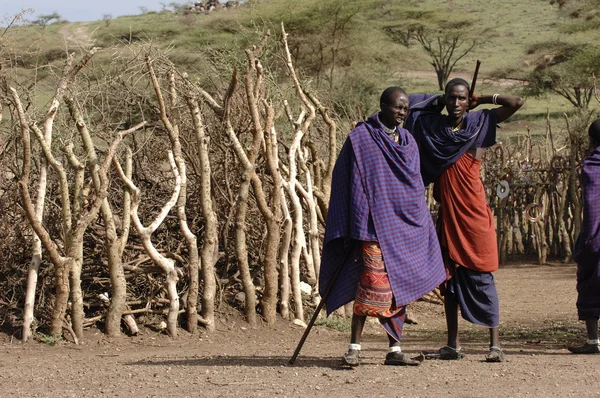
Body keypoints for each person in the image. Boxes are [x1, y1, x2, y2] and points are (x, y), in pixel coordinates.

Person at [319, 87, 447, 367]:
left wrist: (418, 222)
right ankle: (354, 347)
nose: (401, 113)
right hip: (373, 226)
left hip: (402, 227)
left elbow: (413, 185)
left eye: (405, 108)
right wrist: (358, 221)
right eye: (397, 107)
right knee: (369, 285)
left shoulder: (408, 141)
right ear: (382, 106)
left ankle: (394, 350)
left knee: (399, 288)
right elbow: (348, 181)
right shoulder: (361, 138)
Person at [404, 78, 524, 363]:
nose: (456, 104)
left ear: (467, 99)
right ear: (445, 99)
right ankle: (452, 344)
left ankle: (495, 345)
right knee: (450, 280)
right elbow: (411, 108)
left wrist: (481, 98)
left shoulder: (479, 124)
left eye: (461, 98)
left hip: (474, 215)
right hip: (448, 216)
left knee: (483, 277)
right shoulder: (433, 128)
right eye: (450, 98)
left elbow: (516, 103)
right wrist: (436, 99)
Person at [568, 118, 600, 354]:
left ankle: (592, 341)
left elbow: (592, 205)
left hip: (597, 235)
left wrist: (588, 239)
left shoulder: (592, 165)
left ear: (591, 141)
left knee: (590, 282)